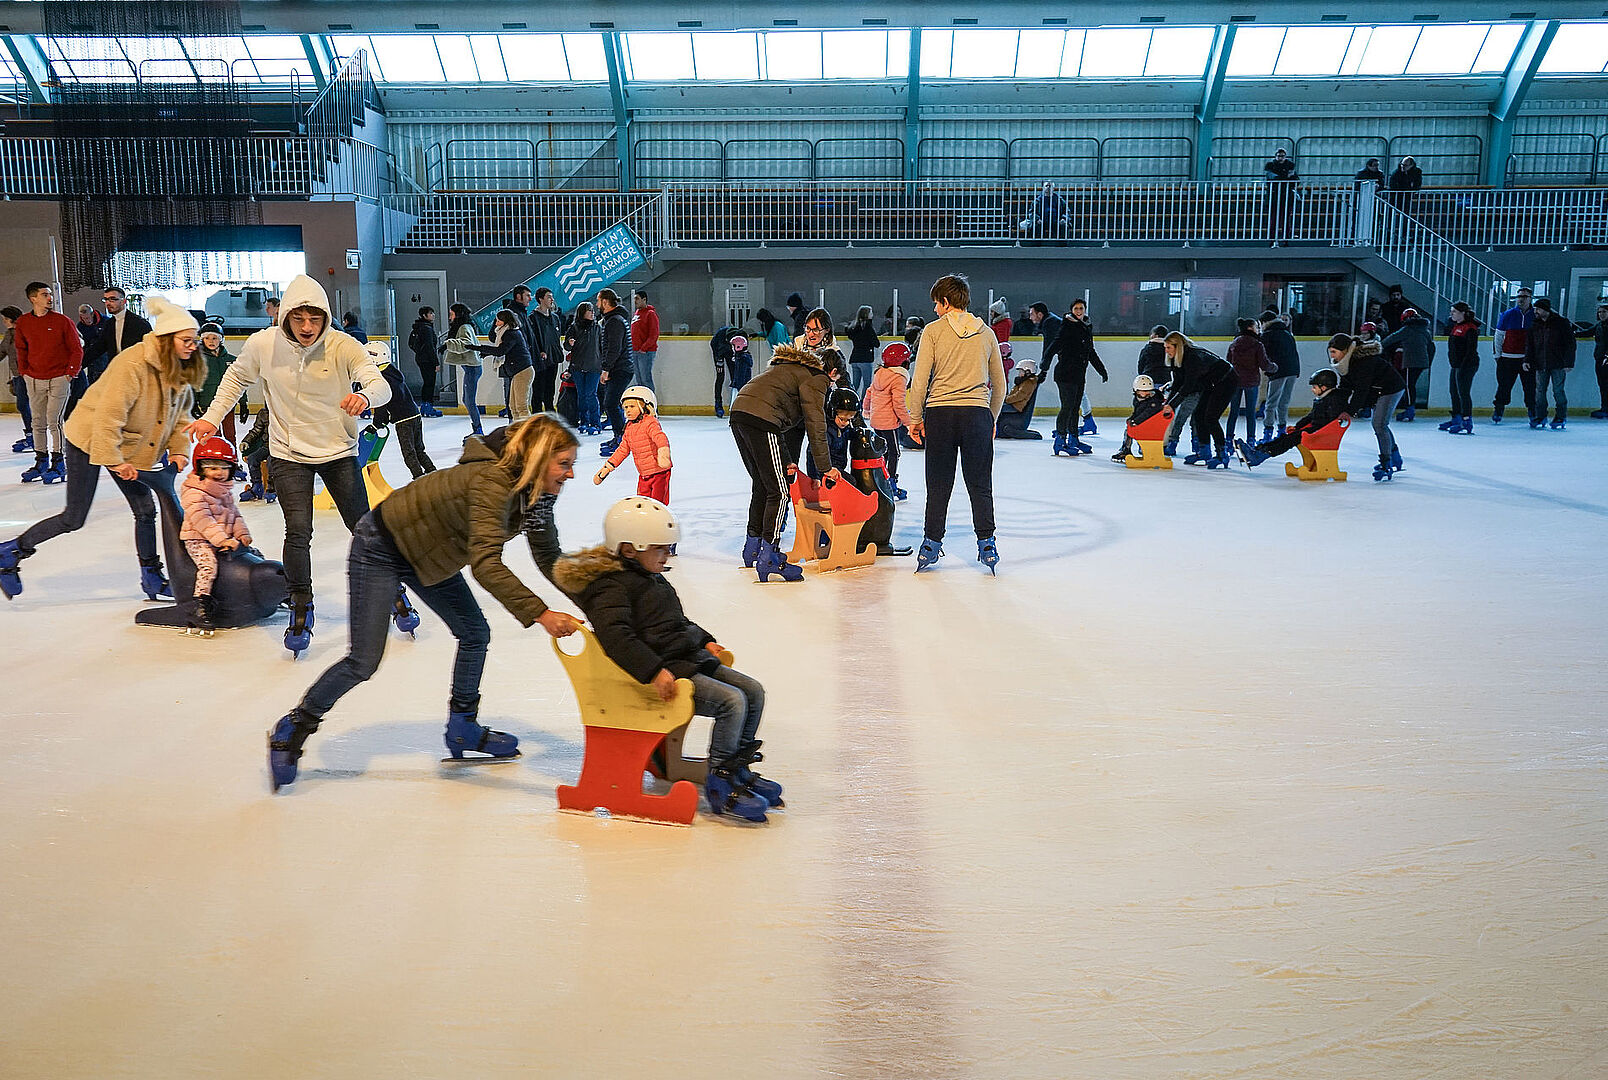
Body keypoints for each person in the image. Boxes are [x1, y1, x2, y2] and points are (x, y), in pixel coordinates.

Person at [266, 416, 586, 791]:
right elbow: (486, 564)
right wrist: (541, 613)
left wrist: (595, 600)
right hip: (381, 548)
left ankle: (463, 728)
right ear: (537, 458)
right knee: (363, 660)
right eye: (564, 464)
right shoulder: (493, 482)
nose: (571, 474)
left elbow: (549, 557)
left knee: (474, 633)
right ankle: (293, 727)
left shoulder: (536, 495)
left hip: (429, 555)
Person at [187, 275, 394, 653]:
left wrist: (364, 397)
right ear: (286, 316)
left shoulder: (342, 345)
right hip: (287, 452)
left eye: (314, 319)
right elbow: (235, 379)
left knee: (363, 528)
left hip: (337, 451)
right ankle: (301, 604)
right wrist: (211, 418)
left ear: (325, 317)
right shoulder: (264, 344)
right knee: (298, 532)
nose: (307, 328)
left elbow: (381, 385)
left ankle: (392, 588)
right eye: (298, 319)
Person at [552, 497, 781, 823]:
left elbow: (677, 622)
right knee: (732, 701)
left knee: (753, 691)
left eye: (668, 548)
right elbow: (617, 639)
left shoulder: (652, 578)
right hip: (664, 672)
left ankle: (738, 768)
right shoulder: (610, 588)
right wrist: (653, 671)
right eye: (659, 548)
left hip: (688, 659)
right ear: (630, 549)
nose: (667, 555)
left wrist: (706, 640)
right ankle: (720, 779)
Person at [1, 297, 203, 602]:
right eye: (186, 340)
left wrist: (178, 450)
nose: (192, 346)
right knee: (74, 517)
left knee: (145, 509)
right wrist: (115, 461)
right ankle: (11, 551)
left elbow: (181, 414)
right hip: (90, 438)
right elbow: (110, 416)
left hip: (127, 442)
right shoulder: (133, 364)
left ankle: (151, 577)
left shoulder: (178, 367)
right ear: (165, 339)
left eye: (194, 340)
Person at [906, 273, 1006, 574]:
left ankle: (931, 543)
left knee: (938, 483)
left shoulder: (933, 332)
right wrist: (991, 417)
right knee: (980, 483)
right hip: (976, 414)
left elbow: (920, 379)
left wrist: (915, 417)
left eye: (937, 303)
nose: (935, 309)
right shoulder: (987, 333)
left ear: (947, 302)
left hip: (940, 415)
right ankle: (987, 542)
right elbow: (999, 385)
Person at [729, 343, 842, 582]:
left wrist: (786, 459)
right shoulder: (817, 378)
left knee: (762, 483)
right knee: (779, 492)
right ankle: (769, 556)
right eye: (834, 382)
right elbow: (815, 425)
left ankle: (752, 547)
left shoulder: (789, 368)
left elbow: (781, 421)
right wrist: (825, 468)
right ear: (832, 373)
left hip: (740, 414)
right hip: (761, 420)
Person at [178, 435, 254, 633]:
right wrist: (223, 539)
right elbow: (204, 521)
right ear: (201, 468)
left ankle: (264, 591)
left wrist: (242, 534)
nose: (219, 473)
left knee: (253, 555)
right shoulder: (195, 492)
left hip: (222, 539)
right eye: (212, 468)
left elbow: (234, 515)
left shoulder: (223, 490)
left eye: (224, 467)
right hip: (198, 539)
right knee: (208, 566)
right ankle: (200, 604)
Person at [13, 281, 83, 484]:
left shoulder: (62, 321)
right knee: (37, 422)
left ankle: (59, 462)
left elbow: (76, 349)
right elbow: (21, 349)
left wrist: (69, 373)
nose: (50, 298)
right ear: (33, 298)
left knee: (55, 421)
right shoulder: (24, 323)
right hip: (34, 378)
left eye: (50, 294)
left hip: (58, 378)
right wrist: (25, 372)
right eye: (45, 294)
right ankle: (41, 459)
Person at [1330, 331, 1406, 480]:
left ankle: (1386, 463)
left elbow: (1361, 389)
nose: (1332, 356)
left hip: (1391, 388)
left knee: (1379, 424)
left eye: (1334, 352)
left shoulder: (1363, 362)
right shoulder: (1346, 362)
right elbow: (1345, 387)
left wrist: (1350, 411)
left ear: (1345, 350)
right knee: (1381, 424)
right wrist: (1336, 405)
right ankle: (1395, 457)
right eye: (1330, 352)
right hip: (1377, 390)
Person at [1235, 369, 1349, 468]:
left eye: (1314, 387)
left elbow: (1327, 421)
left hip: (1320, 434)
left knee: (1289, 440)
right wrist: (1298, 426)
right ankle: (1258, 450)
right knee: (1285, 437)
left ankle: (1260, 456)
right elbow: (1311, 416)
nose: (1312, 390)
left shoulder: (1334, 400)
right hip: (1314, 430)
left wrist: (1307, 430)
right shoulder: (1322, 399)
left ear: (1323, 387)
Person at [1042, 298, 1108, 457]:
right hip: (1065, 374)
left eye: (1081, 308)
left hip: (1078, 375)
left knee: (1074, 408)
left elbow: (1090, 352)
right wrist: (1045, 363)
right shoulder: (1067, 326)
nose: (1079, 311)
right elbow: (1055, 345)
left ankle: (1073, 439)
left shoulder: (1085, 327)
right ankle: (1060, 440)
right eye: (1076, 309)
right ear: (1072, 310)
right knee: (1067, 407)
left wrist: (1102, 370)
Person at [1161, 332, 1237, 468]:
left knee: (1210, 418)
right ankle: (1204, 452)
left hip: (1226, 380)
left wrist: (1172, 405)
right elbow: (1177, 383)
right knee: (1198, 415)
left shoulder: (1192, 357)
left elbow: (1188, 385)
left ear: (1177, 346)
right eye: (1165, 347)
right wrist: (1168, 404)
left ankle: (1222, 454)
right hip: (1210, 383)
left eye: (1168, 348)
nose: (1166, 351)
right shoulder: (1176, 359)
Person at [365, 340, 436, 479]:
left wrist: (376, 425)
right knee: (419, 450)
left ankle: (419, 478)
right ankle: (433, 473)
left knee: (409, 453)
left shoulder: (381, 379)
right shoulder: (392, 372)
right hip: (415, 415)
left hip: (403, 421)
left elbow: (382, 404)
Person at [595, 384, 672, 506]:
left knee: (658, 503)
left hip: (659, 472)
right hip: (644, 474)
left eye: (632, 406)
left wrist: (663, 454)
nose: (628, 410)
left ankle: (658, 522)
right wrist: (607, 467)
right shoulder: (629, 428)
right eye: (625, 407)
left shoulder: (650, 423)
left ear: (645, 406)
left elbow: (660, 437)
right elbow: (622, 450)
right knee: (643, 501)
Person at [1113, 326, 1171, 460]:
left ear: (1154, 335)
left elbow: (1141, 366)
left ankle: (1147, 447)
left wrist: (1135, 421)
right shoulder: (1167, 349)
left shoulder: (1147, 349)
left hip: (1149, 380)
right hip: (1163, 383)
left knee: (1153, 411)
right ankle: (1159, 445)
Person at [467, 310, 534, 422]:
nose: (496, 323)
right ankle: (517, 430)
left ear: (505, 321)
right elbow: (501, 349)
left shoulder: (511, 333)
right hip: (518, 371)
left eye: (498, 321)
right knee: (513, 406)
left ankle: (528, 432)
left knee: (521, 406)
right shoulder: (506, 332)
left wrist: (478, 347)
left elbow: (501, 351)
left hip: (523, 371)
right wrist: (486, 353)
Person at [867, 341, 916, 493]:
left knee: (882, 452)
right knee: (894, 452)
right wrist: (909, 422)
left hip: (876, 421)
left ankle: (880, 480)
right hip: (889, 423)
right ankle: (891, 482)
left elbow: (869, 393)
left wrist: (866, 411)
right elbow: (899, 404)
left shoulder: (879, 373)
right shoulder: (899, 378)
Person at [1525, 298, 1576, 429]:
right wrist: (1527, 360)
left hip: (1558, 363)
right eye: (1535, 309)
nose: (1535, 311)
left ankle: (1561, 416)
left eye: (1538, 309)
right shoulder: (1535, 324)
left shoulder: (1561, 323)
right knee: (1540, 391)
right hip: (1540, 363)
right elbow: (1530, 345)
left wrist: (1568, 362)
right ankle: (1541, 416)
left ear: (1546, 310)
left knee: (1558, 390)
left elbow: (1570, 343)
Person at [1226, 318, 1276, 447]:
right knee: (1250, 412)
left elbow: (1228, 361)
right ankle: (1251, 439)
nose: (1258, 329)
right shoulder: (1257, 344)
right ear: (1250, 328)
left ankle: (1228, 439)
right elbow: (1264, 364)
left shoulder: (1235, 343)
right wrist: (1274, 367)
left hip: (1235, 381)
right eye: (1256, 327)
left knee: (1233, 411)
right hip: (1251, 381)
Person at [1381, 307, 1435, 420]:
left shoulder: (1408, 329)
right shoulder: (1425, 330)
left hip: (1411, 362)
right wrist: (1428, 361)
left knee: (1408, 385)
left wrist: (1378, 346)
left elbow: (1392, 338)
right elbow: (1431, 347)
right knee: (1410, 384)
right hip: (1422, 362)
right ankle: (1410, 408)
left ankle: (1410, 409)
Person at [597, 289, 633, 455]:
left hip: (620, 368)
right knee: (612, 403)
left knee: (610, 403)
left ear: (605, 302)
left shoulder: (614, 321)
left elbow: (614, 348)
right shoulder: (614, 319)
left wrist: (606, 369)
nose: (597, 305)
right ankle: (620, 436)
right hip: (619, 368)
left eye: (599, 301)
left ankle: (622, 439)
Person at [1492, 286, 1535, 424]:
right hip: (1507, 358)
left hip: (1527, 359)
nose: (1521, 299)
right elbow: (1499, 335)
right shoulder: (1508, 314)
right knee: (1503, 387)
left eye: (1524, 297)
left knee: (1530, 387)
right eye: (1519, 297)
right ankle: (1498, 410)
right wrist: (1498, 355)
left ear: (1530, 298)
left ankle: (1532, 412)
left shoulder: (1535, 315)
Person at [442, 303, 485, 436]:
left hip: (472, 369)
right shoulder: (463, 326)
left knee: (469, 401)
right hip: (471, 368)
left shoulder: (464, 327)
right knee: (467, 399)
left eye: (451, 314)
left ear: (458, 314)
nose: (450, 317)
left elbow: (466, 344)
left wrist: (447, 344)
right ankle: (477, 428)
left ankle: (478, 430)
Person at [1441, 302, 1482, 435]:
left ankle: (1466, 420)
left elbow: (1470, 350)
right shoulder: (1455, 326)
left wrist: (1463, 367)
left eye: (1454, 311)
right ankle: (1456, 418)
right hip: (1456, 365)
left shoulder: (1470, 328)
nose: (1451, 314)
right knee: (1454, 392)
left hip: (1467, 365)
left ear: (1462, 313)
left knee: (1463, 393)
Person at [1259, 309, 1300, 441]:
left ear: (1264, 322)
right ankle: (1282, 430)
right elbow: (1295, 353)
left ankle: (1268, 431)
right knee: (1284, 402)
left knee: (1271, 403)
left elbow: (1263, 355)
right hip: (1292, 370)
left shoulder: (1268, 335)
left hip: (1278, 371)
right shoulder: (1287, 333)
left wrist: (1268, 370)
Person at [194, 322, 237, 443]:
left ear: (221, 339)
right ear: (202, 340)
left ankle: (232, 460)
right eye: (207, 338)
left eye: (214, 338)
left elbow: (239, 383)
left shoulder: (231, 360)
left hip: (227, 404)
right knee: (213, 436)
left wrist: (243, 403)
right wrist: (194, 403)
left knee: (230, 435)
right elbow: (194, 384)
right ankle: (214, 461)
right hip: (208, 404)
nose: (211, 341)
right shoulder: (199, 361)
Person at [97, 287, 152, 379]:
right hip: (116, 370)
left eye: (112, 299)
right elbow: (100, 347)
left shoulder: (139, 323)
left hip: (137, 372)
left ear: (123, 301)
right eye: (106, 299)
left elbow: (150, 348)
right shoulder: (109, 324)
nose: (108, 303)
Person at [1113, 374, 1167, 464]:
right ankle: (1125, 449)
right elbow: (1137, 412)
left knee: (1132, 429)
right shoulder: (1137, 399)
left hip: (1153, 425)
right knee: (1128, 430)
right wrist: (1132, 418)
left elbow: (1148, 413)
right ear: (1136, 390)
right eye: (1142, 391)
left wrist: (1136, 421)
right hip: (1143, 424)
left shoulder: (1154, 401)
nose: (1145, 394)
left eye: (1148, 391)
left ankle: (1145, 450)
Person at [566, 302, 602, 435]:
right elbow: (567, 347)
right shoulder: (574, 327)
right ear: (582, 313)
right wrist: (569, 343)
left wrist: (604, 366)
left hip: (594, 366)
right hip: (578, 366)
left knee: (591, 394)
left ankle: (595, 423)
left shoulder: (597, 328)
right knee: (581, 395)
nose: (592, 313)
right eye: (589, 310)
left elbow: (601, 347)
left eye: (592, 310)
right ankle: (584, 421)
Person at [1, 306, 33, 455]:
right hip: (17, 375)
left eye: (5, 319)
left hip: (28, 374)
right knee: (23, 405)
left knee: (25, 405)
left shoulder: (26, 331)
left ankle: (32, 437)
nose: (4, 322)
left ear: (12, 319)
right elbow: (2, 351)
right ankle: (30, 435)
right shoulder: (8, 334)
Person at [997, 353, 1044, 443]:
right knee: (998, 408)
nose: (1019, 373)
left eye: (1021, 371)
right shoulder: (1024, 381)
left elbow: (1019, 395)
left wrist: (1006, 399)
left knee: (998, 408)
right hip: (1014, 405)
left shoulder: (1028, 383)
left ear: (1027, 371)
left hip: (1016, 407)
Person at [530, 288, 563, 414]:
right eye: (549, 297)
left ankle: (550, 413)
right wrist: (539, 352)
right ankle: (537, 416)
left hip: (553, 358)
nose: (552, 299)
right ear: (540, 299)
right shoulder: (533, 318)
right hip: (540, 360)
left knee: (550, 389)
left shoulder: (555, 318)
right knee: (538, 389)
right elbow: (532, 339)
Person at [407, 306, 443, 417]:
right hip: (427, 360)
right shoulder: (426, 328)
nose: (433, 315)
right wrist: (436, 362)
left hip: (421, 359)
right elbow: (429, 346)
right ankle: (428, 406)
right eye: (430, 313)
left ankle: (424, 406)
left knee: (427, 382)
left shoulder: (419, 327)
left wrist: (419, 352)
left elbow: (411, 344)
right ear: (424, 315)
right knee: (429, 383)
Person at [1263, 148, 1298, 245]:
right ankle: (1272, 239)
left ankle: (1285, 239)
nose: (1280, 158)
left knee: (1285, 220)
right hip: (1274, 197)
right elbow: (1271, 177)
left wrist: (1289, 178)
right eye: (1278, 156)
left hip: (1286, 196)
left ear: (1285, 157)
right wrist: (1286, 177)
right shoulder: (1270, 166)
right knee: (1273, 220)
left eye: (1282, 156)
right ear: (1275, 156)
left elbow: (1295, 180)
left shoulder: (1290, 166)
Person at [845, 305, 880, 398]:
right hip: (865, 359)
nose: (872, 315)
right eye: (871, 313)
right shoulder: (868, 327)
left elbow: (849, 334)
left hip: (855, 358)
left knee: (855, 384)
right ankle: (863, 404)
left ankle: (852, 401)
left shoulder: (854, 327)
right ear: (867, 315)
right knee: (867, 384)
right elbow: (876, 343)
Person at [629, 289, 660, 391]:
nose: (635, 301)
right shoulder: (637, 313)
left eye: (637, 299)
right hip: (635, 351)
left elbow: (654, 334)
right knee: (639, 380)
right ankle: (642, 402)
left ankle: (650, 403)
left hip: (645, 352)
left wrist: (644, 348)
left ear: (644, 299)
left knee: (645, 379)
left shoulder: (650, 314)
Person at [1588, 304, 1608, 420]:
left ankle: (1605, 408)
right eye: (1600, 312)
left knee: (1606, 384)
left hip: (1605, 359)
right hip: (1600, 359)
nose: (1601, 314)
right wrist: (1573, 333)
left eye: (1604, 312)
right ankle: (1604, 407)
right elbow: (1587, 332)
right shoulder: (1599, 326)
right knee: (1602, 385)